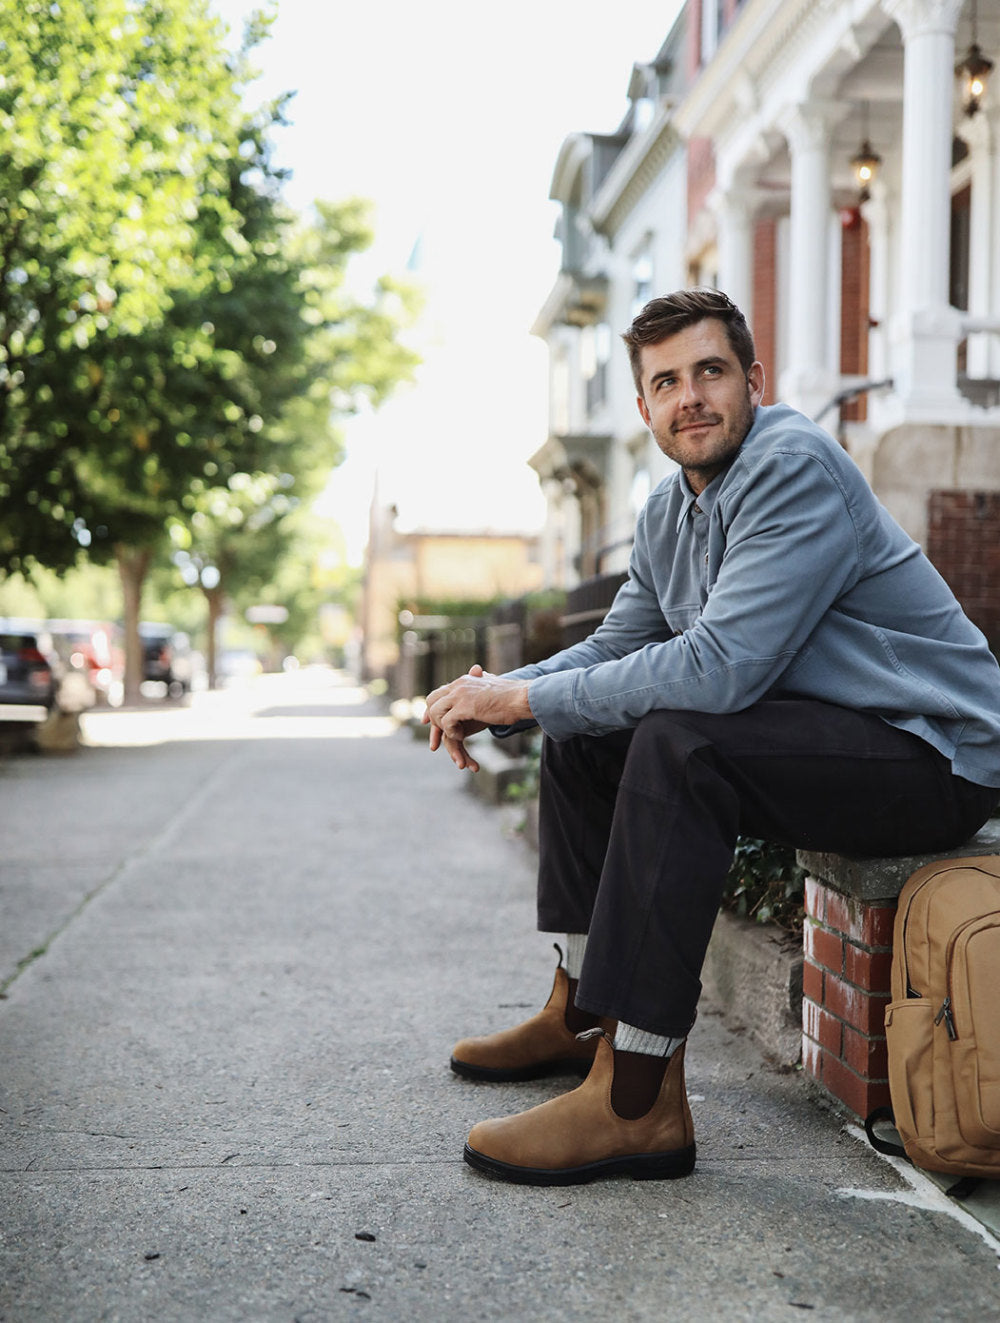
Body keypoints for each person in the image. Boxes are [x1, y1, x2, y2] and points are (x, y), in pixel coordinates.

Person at [422, 288, 1000, 1188]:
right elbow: (616, 647)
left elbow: (720, 669)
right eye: (667, 381)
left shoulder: (792, 466)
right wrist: (497, 690)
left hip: (932, 752)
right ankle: (582, 1015)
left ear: (753, 382)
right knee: (585, 729)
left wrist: (520, 703)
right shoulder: (667, 510)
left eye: (710, 372)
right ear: (645, 407)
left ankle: (637, 1102)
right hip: (833, 738)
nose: (690, 395)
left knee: (680, 740)